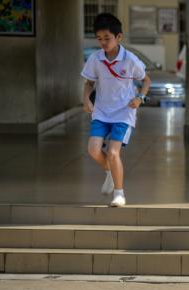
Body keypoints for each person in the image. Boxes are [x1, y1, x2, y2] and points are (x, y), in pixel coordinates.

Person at [81, 13, 150, 207]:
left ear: (119, 37)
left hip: (124, 111)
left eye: (107, 38)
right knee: (93, 150)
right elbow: (89, 82)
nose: (103, 42)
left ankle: (119, 194)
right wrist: (86, 99)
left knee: (112, 152)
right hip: (101, 111)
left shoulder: (130, 60)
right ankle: (110, 173)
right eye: (99, 39)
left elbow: (146, 80)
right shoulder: (95, 59)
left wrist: (140, 98)